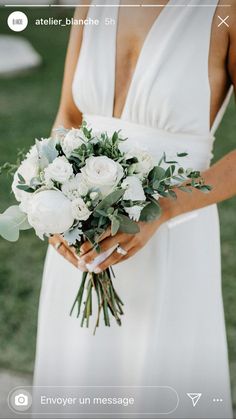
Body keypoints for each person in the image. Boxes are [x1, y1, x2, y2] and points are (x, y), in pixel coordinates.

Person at [33, 1, 236, 417]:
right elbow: (70, 117)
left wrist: (162, 209)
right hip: (80, 240)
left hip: (171, 234)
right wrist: (50, 201)